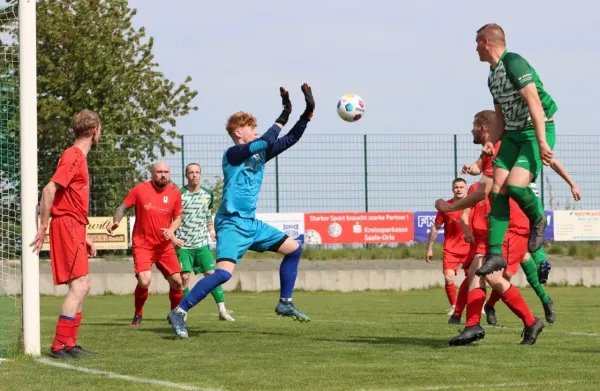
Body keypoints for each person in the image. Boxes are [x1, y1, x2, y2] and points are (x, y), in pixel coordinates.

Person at [167, 84, 315, 338]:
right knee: (223, 273)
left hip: (251, 223)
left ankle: (285, 302)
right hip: (231, 224)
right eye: (252, 128)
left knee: (294, 248)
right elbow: (268, 139)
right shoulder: (233, 154)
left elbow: (290, 139)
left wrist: (306, 113)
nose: (256, 132)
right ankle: (179, 311)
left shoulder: (259, 155)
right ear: (239, 132)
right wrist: (283, 115)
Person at [437, 110, 543, 345]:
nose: (471, 130)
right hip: (497, 224)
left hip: (510, 224)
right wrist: (472, 168)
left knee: (492, 276)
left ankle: (529, 321)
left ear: (484, 128)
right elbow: (481, 172)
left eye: (474, 126)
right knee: (479, 270)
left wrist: (448, 207)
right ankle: (473, 324)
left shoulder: (501, 148)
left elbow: (483, 191)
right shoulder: (490, 149)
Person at [474, 23, 559, 275]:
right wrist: (492, 140)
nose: (475, 49)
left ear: (486, 42)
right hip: (512, 134)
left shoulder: (515, 63)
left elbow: (534, 101)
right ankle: (495, 253)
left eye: (476, 42)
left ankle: (537, 218)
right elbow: (499, 117)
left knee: (516, 185)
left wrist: (542, 141)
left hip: (535, 131)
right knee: (497, 188)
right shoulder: (492, 75)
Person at [30, 110, 102, 359]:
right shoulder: (74, 156)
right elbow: (49, 189)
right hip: (67, 225)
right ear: (95, 131)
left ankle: (70, 343)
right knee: (79, 286)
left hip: (75, 227)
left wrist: (85, 236)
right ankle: (59, 345)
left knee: (84, 285)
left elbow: (69, 199)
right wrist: (43, 227)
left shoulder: (78, 157)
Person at [108, 161, 184, 326]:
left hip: (164, 246)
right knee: (144, 280)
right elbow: (123, 207)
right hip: (143, 244)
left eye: (166, 172)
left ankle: (175, 316)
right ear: (152, 174)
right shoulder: (140, 189)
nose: (163, 175)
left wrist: (171, 230)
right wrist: (116, 221)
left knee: (178, 282)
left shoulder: (175, 193)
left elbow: (178, 218)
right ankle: (138, 314)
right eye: (159, 172)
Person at [172, 162, 234, 321]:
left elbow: (207, 216)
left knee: (212, 275)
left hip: (201, 244)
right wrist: (173, 237)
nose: (194, 175)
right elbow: (174, 218)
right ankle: (183, 312)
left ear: (200, 174)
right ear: (186, 175)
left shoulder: (208, 194)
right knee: (184, 278)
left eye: (197, 172)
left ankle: (222, 310)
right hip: (183, 245)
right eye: (191, 172)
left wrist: (212, 231)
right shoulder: (179, 195)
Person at [425, 178, 470, 315]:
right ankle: (454, 306)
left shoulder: (472, 204)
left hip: (469, 247)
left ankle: (479, 304)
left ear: (466, 189)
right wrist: (430, 247)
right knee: (448, 277)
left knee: (474, 278)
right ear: (452, 189)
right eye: (456, 187)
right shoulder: (445, 206)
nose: (459, 189)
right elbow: (436, 227)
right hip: (451, 248)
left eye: (461, 187)